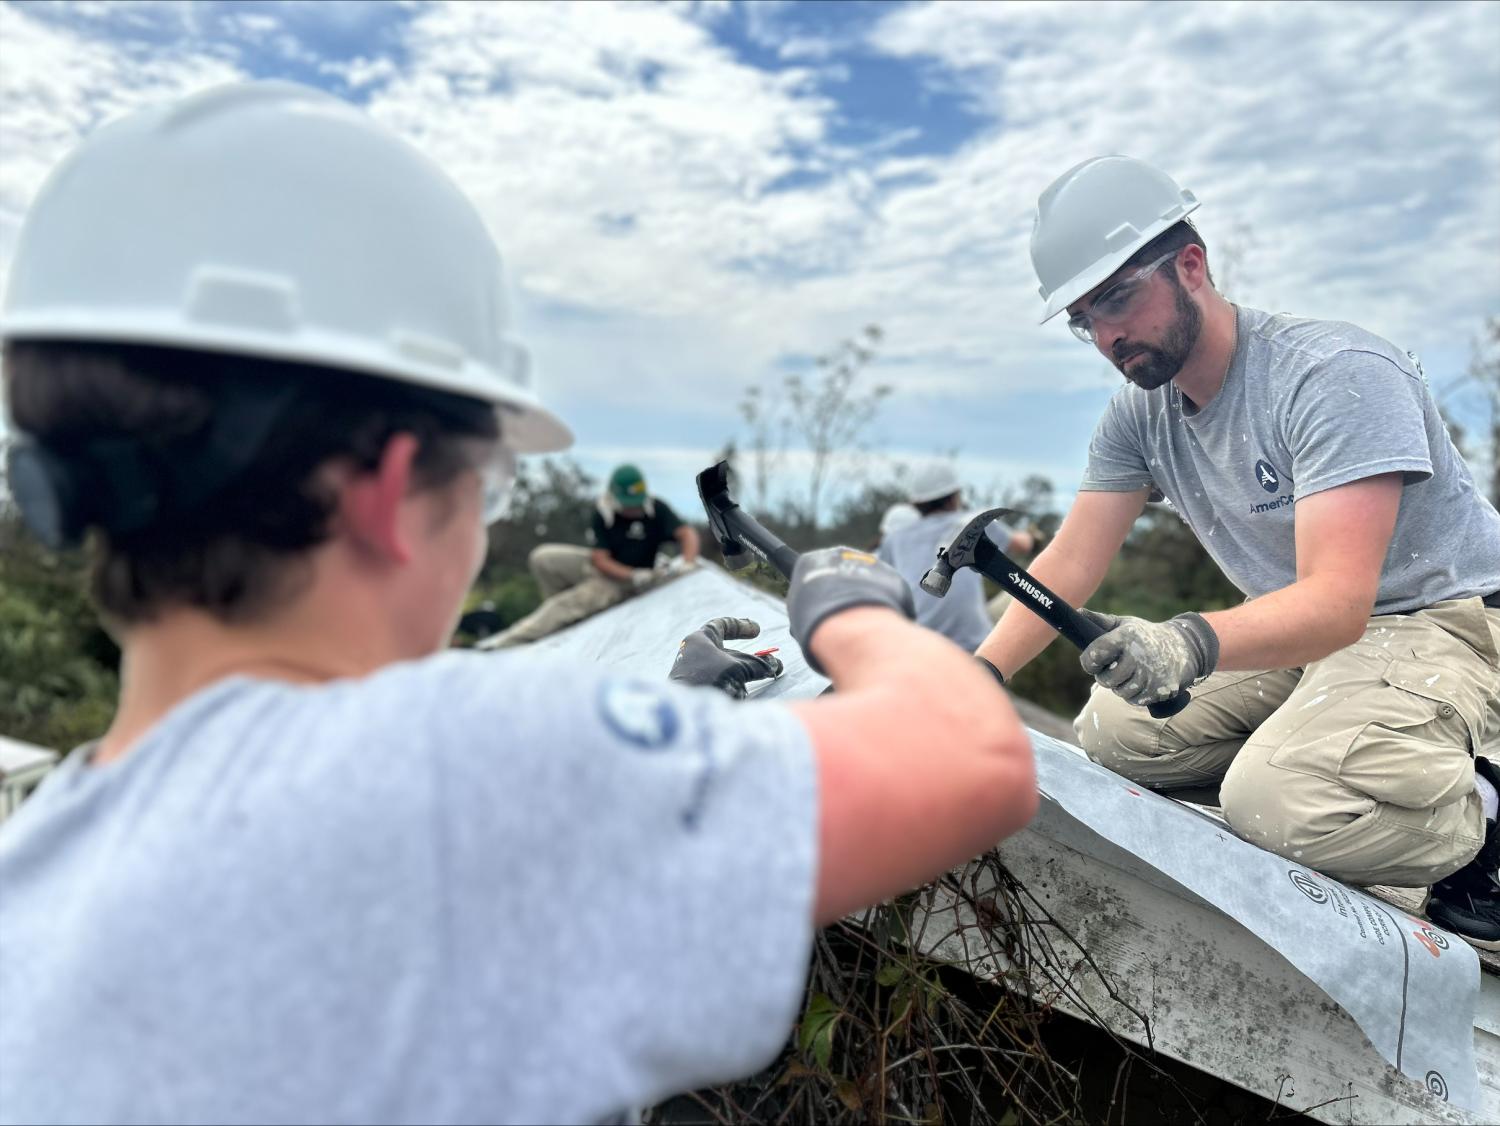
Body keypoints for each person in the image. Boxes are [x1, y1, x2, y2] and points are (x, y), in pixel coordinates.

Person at [0, 82, 1037, 1124]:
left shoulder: (33, 874)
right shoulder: (460, 769)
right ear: (387, 490)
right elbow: (972, 754)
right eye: (486, 488)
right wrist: (849, 605)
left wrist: (664, 732)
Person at [975, 154, 1500, 947]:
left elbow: (1339, 600)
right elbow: (1069, 565)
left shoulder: (1333, 374)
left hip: (1448, 623)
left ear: (1191, 265)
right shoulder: (1140, 416)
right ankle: (1345, 769)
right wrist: (973, 681)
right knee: (1117, 730)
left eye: (1119, 296)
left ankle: (1482, 820)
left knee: (1276, 802)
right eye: (1086, 317)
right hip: (1313, 639)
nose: (1109, 334)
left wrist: (1187, 641)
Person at [483, 463, 699, 649]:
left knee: (563, 605)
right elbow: (600, 559)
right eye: (627, 504)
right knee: (542, 557)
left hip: (617, 584)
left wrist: (687, 563)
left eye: (636, 504)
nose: (633, 509)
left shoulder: (656, 509)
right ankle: (566, 625)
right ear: (615, 496)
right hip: (610, 567)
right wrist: (634, 574)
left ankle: (506, 643)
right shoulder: (603, 512)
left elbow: (686, 534)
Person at [876, 463, 1036, 652]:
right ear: (954, 497)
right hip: (973, 645)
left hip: (916, 646)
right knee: (1034, 583)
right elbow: (1021, 545)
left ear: (916, 502)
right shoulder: (975, 524)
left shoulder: (895, 538)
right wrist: (1033, 537)